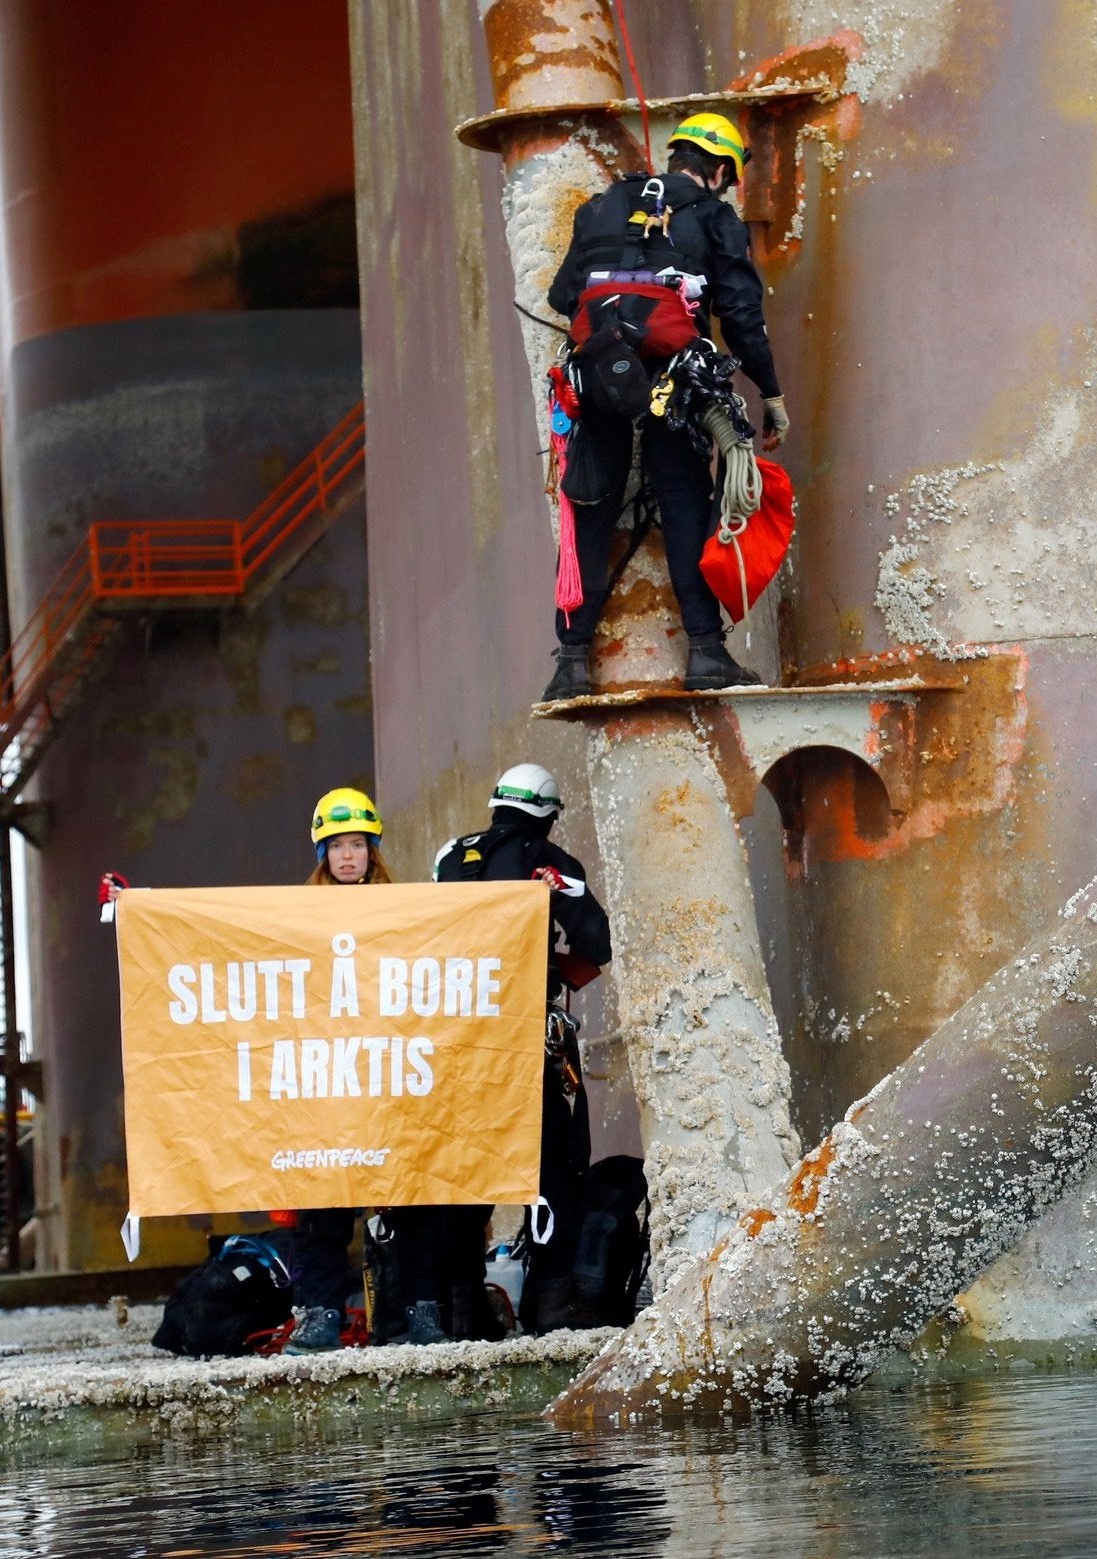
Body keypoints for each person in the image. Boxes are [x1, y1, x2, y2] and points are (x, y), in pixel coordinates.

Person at [542, 112, 789, 703]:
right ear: (723, 169)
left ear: (677, 155)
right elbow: (741, 315)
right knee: (684, 502)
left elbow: (560, 295)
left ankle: (571, 663)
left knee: (590, 507)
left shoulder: (602, 206)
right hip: (675, 382)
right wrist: (771, 394)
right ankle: (705, 652)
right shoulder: (713, 216)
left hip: (599, 371)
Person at [429, 762, 614, 1331]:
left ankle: (462, 1306)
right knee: (551, 1165)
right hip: (530, 1036)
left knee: (465, 1167)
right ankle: (551, 1305)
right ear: (550, 814)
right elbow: (596, 943)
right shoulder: (554, 866)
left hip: (459, 1041)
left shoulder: (449, 857)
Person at [282, 786, 394, 1354]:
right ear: (321, 853)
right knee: (321, 1204)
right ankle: (320, 1316)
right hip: (324, 1079)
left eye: (357, 844)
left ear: (372, 850)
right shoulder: (299, 915)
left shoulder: (404, 910)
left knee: (404, 1200)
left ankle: (403, 1315)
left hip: (385, 1077)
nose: (348, 856)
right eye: (337, 846)